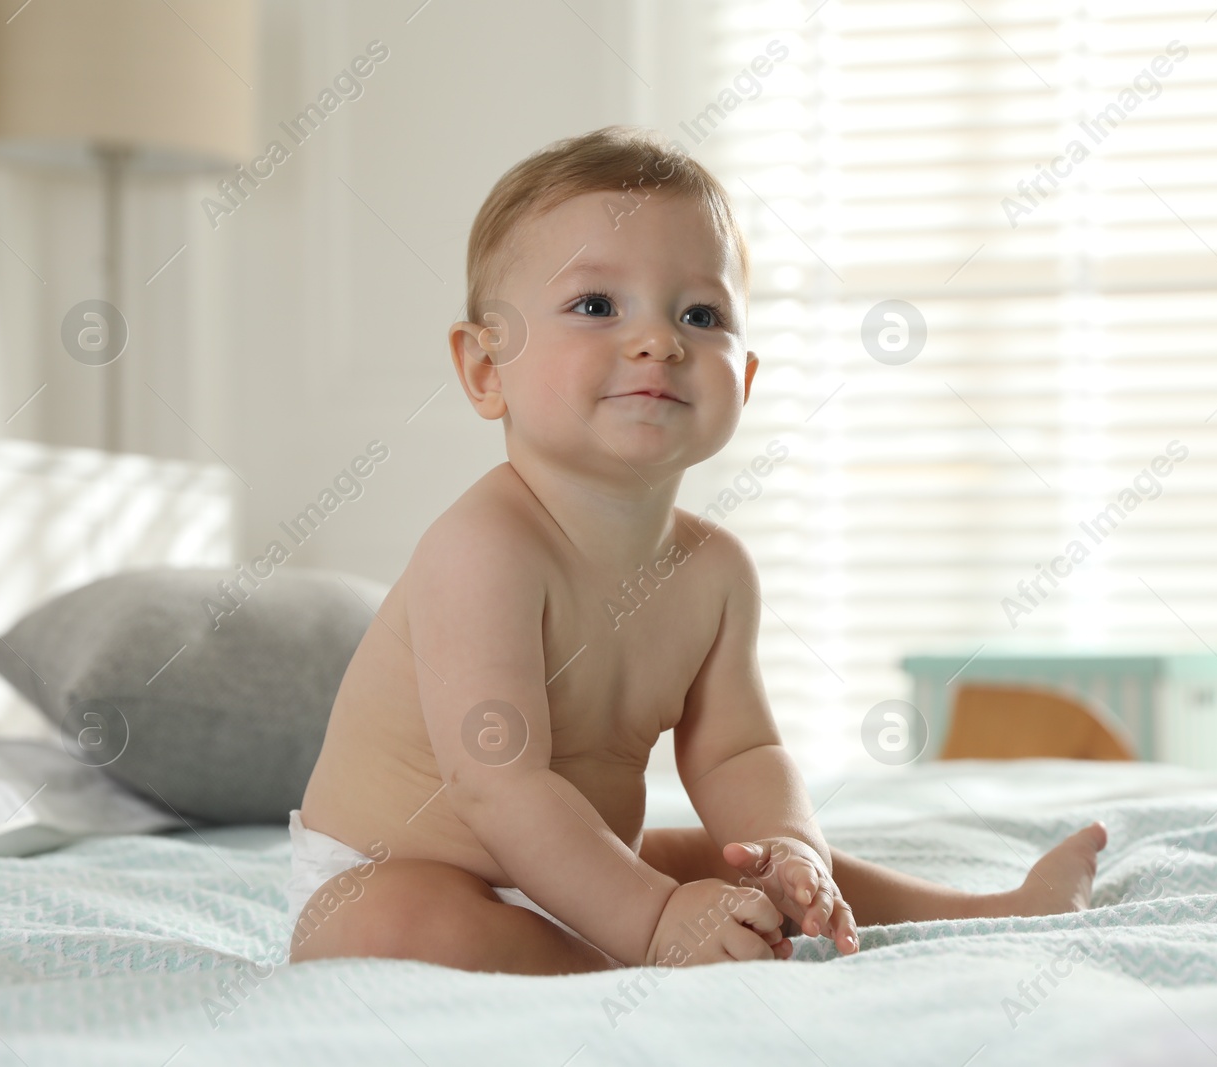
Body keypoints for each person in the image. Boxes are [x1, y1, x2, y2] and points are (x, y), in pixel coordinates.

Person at [288, 125, 1106, 975]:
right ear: (486, 367)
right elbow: (498, 783)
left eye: (700, 315)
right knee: (397, 925)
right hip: (407, 873)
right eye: (597, 305)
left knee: (728, 861)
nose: (658, 340)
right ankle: (620, 967)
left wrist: (790, 849)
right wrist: (653, 923)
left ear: (744, 379)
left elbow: (737, 753)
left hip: (589, 865)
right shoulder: (483, 547)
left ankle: (991, 908)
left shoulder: (715, 571)